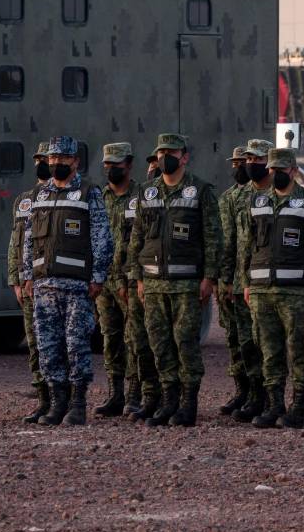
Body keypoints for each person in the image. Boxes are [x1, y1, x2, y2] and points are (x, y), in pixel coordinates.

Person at [128, 133, 221, 427]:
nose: (164, 157)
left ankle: (188, 404)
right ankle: (168, 402)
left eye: (171, 152)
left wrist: (209, 277)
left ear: (184, 157)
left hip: (187, 284)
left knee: (185, 343)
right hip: (153, 283)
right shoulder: (147, 192)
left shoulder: (201, 191)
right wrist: (138, 277)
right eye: (161, 152)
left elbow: (213, 238)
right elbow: (137, 238)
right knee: (160, 343)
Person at [22, 136, 112, 426]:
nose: (56, 163)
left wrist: (97, 276)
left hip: (77, 287)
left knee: (76, 346)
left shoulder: (88, 192)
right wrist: (27, 275)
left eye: (62, 159)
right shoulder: (39, 195)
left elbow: (102, 238)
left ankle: (77, 403)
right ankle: (57, 402)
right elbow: (28, 239)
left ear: (75, 161)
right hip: (44, 286)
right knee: (48, 347)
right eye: (51, 159)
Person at [238, 148, 304, 429]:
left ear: (292, 171)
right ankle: (275, 405)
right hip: (261, 289)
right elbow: (246, 245)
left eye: (280, 169)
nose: (274, 174)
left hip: (295, 291)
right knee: (268, 350)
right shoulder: (257, 200)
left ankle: (298, 406)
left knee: (299, 348)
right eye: (271, 169)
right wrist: (245, 282)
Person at [225, 139, 276, 423]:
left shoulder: (276, 194)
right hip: (241, 281)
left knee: (265, 342)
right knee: (245, 341)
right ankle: (253, 394)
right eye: (248, 159)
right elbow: (233, 243)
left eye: (257, 159)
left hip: (267, 282)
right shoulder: (240, 196)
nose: (249, 164)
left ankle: (270, 398)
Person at [94, 142, 145, 418]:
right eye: (107, 164)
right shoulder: (99, 198)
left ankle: (135, 394)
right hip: (105, 281)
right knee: (109, 337)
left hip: (130, 280)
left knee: (134, 337)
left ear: (129, 164)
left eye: (117, 164)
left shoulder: (142, 196)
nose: (111, 169)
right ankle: (116, 393)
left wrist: (134, 277)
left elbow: (145, 240)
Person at [214, 145, 264, 416]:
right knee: (234, 338)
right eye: (238, 163)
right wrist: (222, 279)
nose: (241, 167)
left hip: (252, 280)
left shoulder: (258, 197)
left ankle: (259, 393)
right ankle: (242, 390)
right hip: (231, 279)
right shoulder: (229, 198)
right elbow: (225, 241)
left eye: (244, 161)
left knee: (253, 339)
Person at [11, 142, 51, 423]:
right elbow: (16, 242)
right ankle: (43, 398)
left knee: (59, 343)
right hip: (29, 284)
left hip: (53, 281)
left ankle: (64, 398)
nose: (41, 164)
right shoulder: (24, 199)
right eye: (38, 159)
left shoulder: (68, 196)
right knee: (35, 344)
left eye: (45, 159)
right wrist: (16, 278)